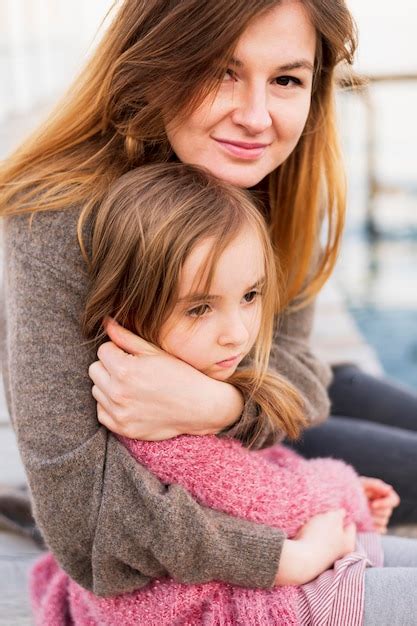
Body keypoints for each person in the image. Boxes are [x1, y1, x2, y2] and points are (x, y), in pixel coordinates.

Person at [0, 0, 414, 608]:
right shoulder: (58, 220)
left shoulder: (273, 177)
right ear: (157, 64)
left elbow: (301, 372)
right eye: (221, 70)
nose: (255, 116)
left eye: (286, 80)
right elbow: (85, 525)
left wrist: (219, 405)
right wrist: (278, 555)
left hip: (251, 405)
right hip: (215, 454)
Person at [29, 163, 413, 626]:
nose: (236, 334)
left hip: (251, 571)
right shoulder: (158, 424)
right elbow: (273, 506)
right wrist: (347, 490)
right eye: (199, 308)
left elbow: (258, 475)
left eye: (250, 296)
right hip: (237, 605)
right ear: (127, 312)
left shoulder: (171, 380)